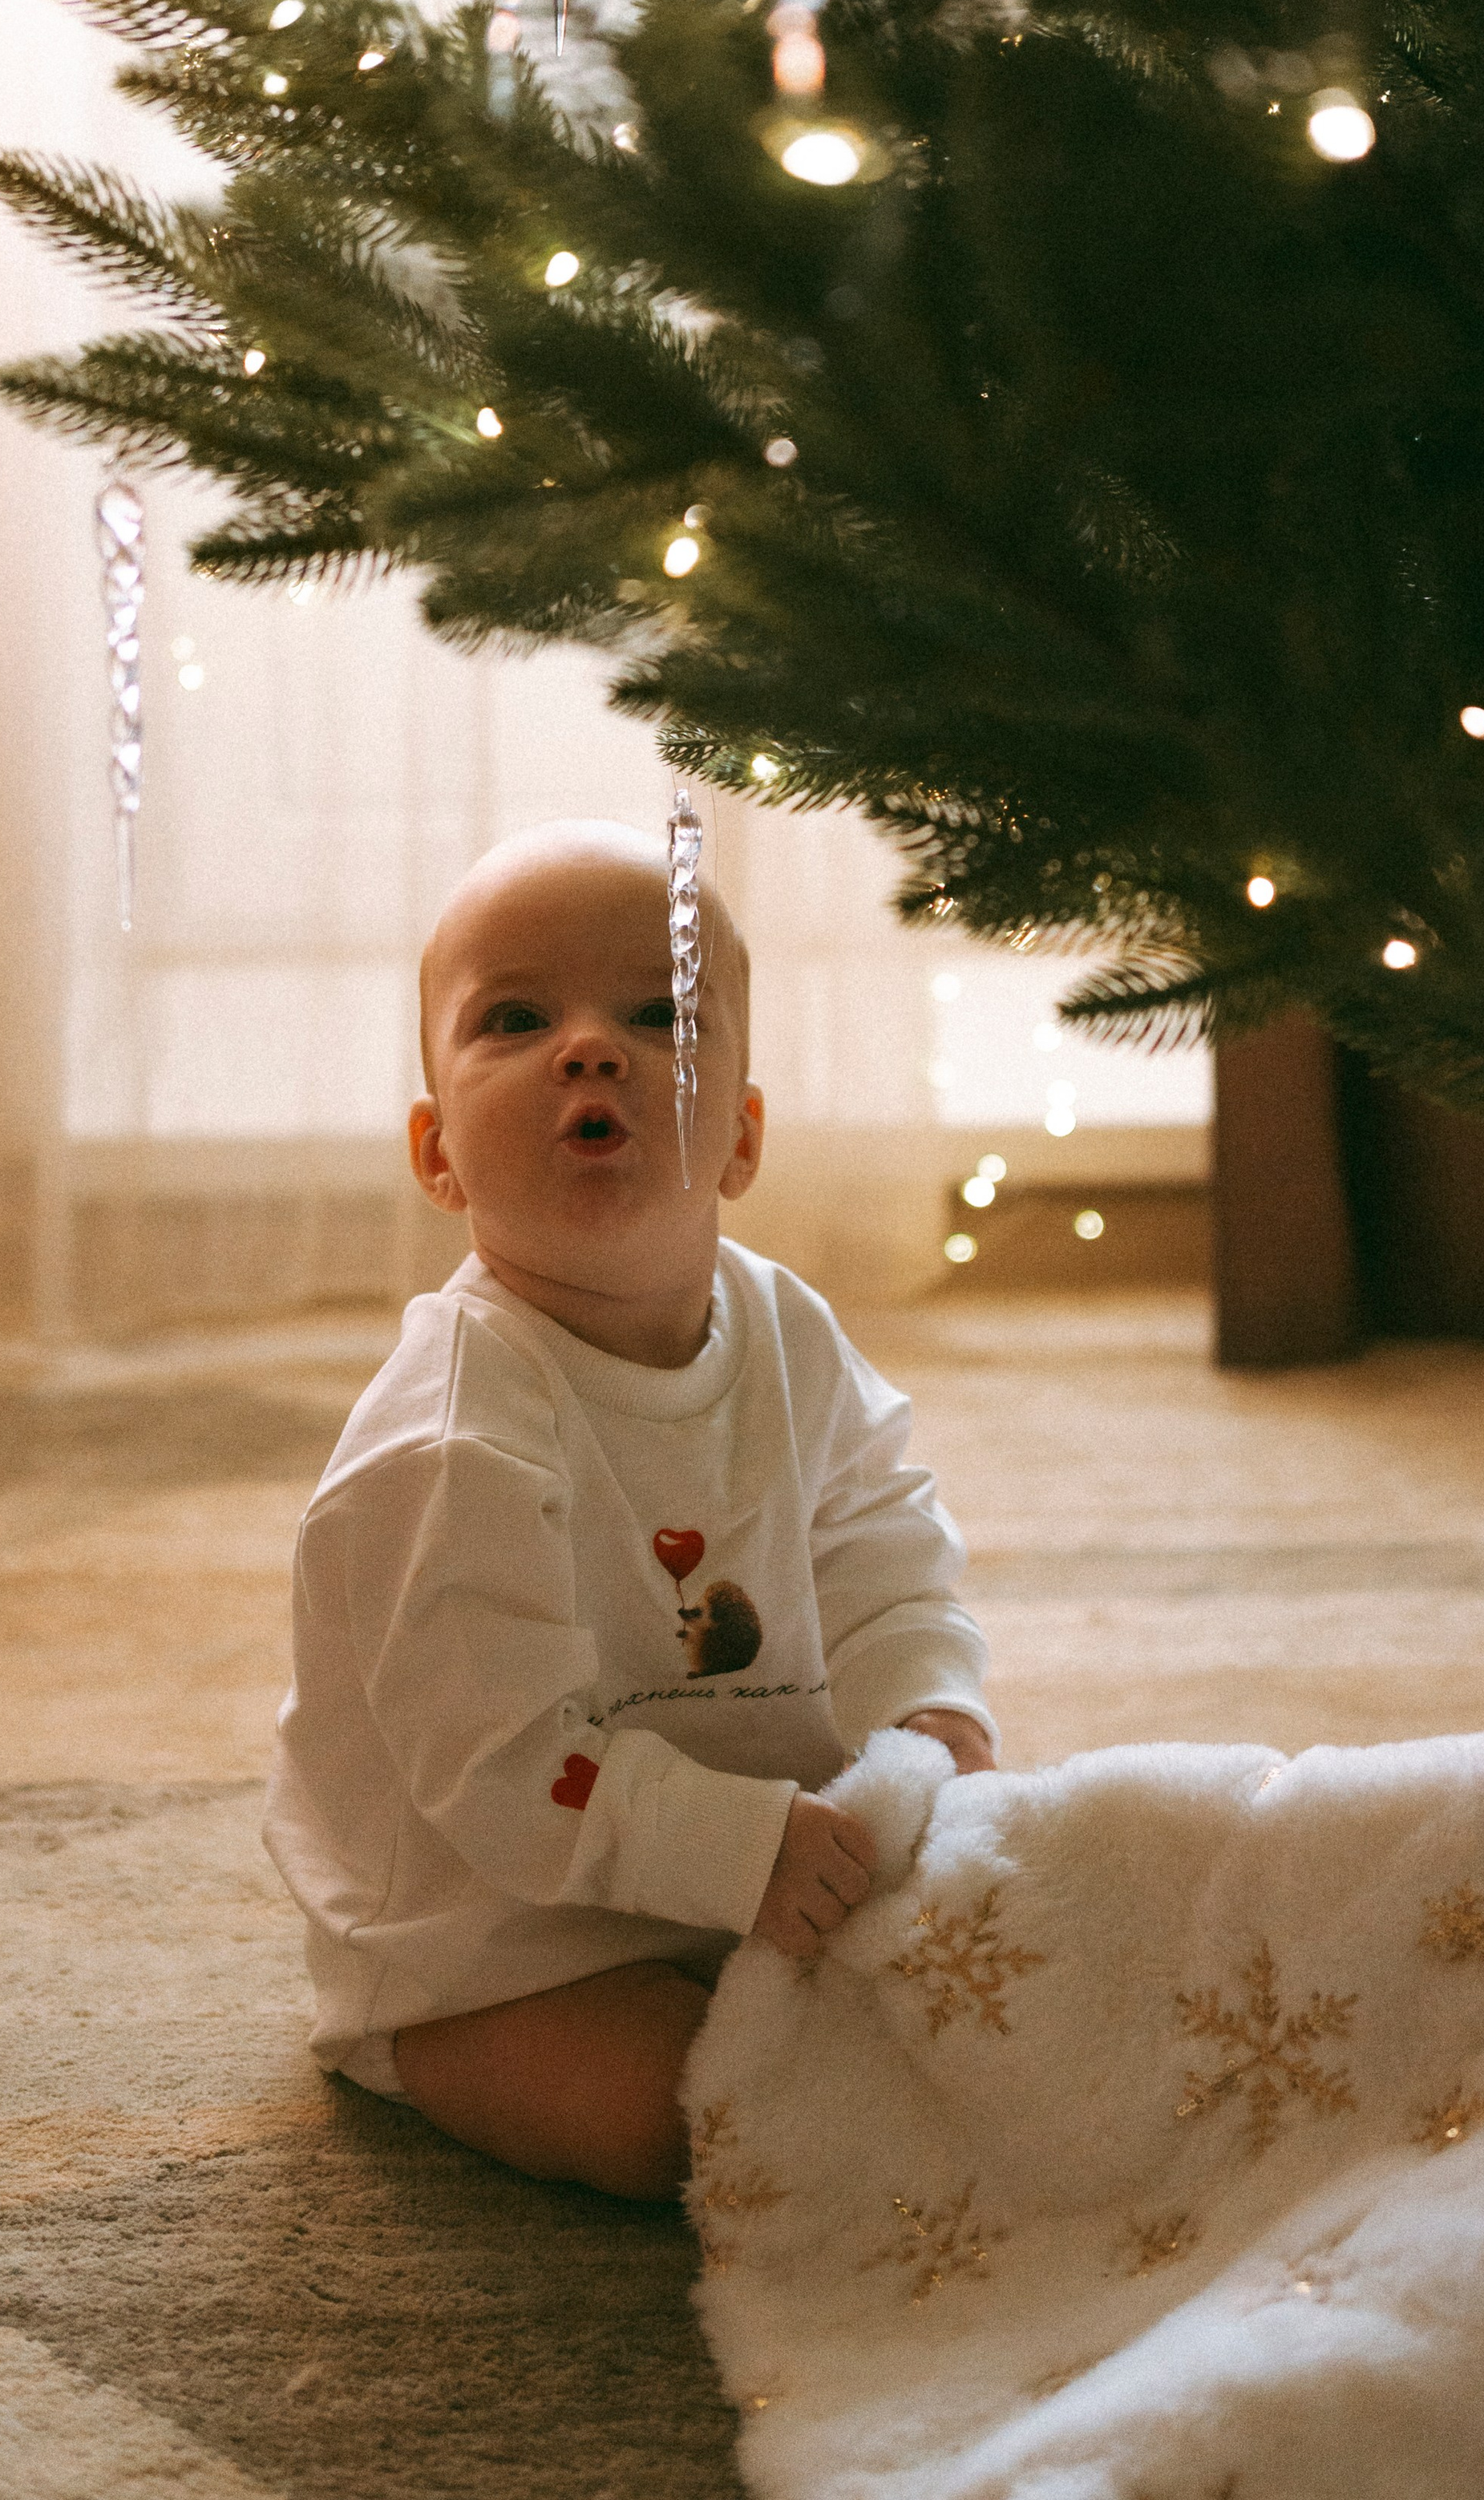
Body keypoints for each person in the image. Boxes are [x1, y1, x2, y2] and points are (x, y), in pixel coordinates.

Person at [263, 819, 998, 2201]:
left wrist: (928, 1706)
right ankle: (422, 2047)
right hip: (502, 1935)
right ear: (437, 1153)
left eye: (662, 1016)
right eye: (517, 1019)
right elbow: (500, 1766)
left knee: (1000, 1963)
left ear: (743, 1137)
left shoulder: (788, 1330)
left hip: (771, 1850)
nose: (593, 1049)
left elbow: (880, 1542)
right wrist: (739, 1850)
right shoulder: (451, 1434)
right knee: (684, 2115)